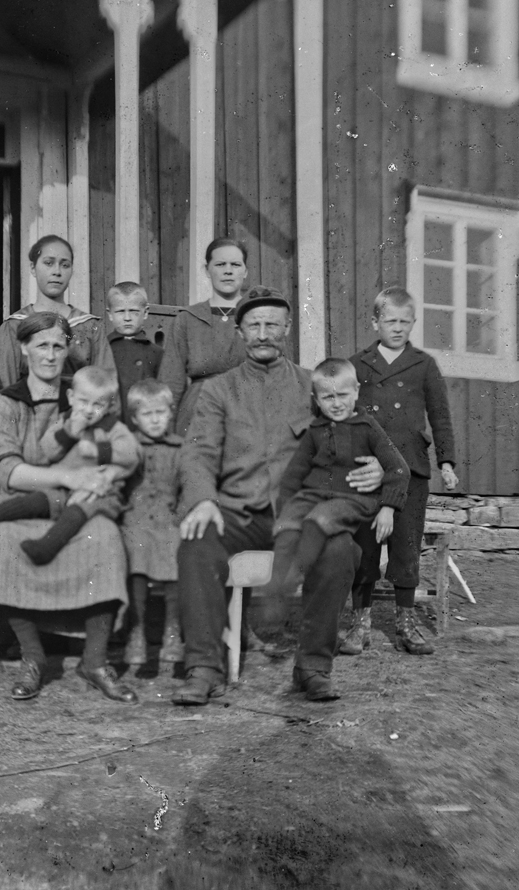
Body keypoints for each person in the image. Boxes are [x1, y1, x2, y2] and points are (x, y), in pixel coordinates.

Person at [173, 285, 384, 705]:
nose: (264, 333)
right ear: (239, 331)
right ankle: (203, 667)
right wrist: (203, 500)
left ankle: (312, 668)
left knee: (338, 549)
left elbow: (356, 432)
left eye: (273, 324)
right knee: (196, 545)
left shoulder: (313, 385)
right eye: (254, 325)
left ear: (287, 328)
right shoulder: (217, 390)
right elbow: (198, 452)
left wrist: (376, 464)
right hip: (238, 514)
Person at [0, 312, 137, 703]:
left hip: (79, 505)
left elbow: (120, 445)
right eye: (41, 346)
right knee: (4, 539)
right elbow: (9, 471)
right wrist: (70, 478)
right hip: (21, 502)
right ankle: (33, 658)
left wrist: (105, 475)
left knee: (105, 537)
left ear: (68, 349)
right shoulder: (4, 403)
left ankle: (96, 660)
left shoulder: (86, 395)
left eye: (58, 345)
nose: (50, 355)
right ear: (24, 349)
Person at [343, 286, 459, 656]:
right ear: (375, 321)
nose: (397, 328)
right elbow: (342, 415)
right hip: (367, 470)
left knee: (406, 546)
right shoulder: (357, 365)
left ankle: (405, 622)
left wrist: (447, 461)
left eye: (404, 322)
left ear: (413, 323)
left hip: (411, 468)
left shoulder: (423, 364)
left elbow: (440, 415)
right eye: (390, 321)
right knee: (364, 546)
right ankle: (359, 622)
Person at [0, 365, 140, 565]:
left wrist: (99, 450)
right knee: (39, 500)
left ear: (108, 406)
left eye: (97, 405)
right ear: (71, 397)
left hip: (100, 494)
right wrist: (69, 432)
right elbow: (48, 449)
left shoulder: (113, 427)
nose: (88, 411)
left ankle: (46, 547)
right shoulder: (66, 420)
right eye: (83, 402)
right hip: (65, 487)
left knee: (75, 514)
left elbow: (132, 454)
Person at [271, 357, 409, 594]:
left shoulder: (368, 427)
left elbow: (398, 468)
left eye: (342, 395)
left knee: (321, 518)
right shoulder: (315, 430)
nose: (336, 404)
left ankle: (297, 574)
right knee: (287, 522)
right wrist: (286, 509)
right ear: (316, 399)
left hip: (353, 499)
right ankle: (276, 586)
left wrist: (388, 508)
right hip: (316, 496)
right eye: (328, 397)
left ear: (356, 392)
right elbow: (294, 474)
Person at [0, 235, 115, 388]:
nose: (57, 271)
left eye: (65, 265)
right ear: (33, 268)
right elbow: (4, 389)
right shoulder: (14, 326)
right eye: (48, 263)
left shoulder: (90, 327)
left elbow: (105, 387)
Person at [120, 380, 184, 669]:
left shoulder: (180, 448)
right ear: (134, 418)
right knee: (136, 549)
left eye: (161, 412)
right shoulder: (128, 447)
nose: (156, 419)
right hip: (135, 519)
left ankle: (172, 629)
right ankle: (137, 631)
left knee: (177, 546)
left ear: (171, 413)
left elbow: (188, 486)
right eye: (148, 414)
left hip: (169, 519)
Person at [159, 238, 248, 437]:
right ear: (207, 270)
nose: (228, 271)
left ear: (245, 271)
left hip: (247, 411)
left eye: (235, 264)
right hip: (197, 414)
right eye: (220, 264)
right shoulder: (187, 319)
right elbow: (171, 382)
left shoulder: (258, 318)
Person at [106, 281, 164, 425]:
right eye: (120, 311)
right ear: (110, 314)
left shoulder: (156, 353)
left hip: (145, 425)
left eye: (134, 311)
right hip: (112, 425)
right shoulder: (103, 349)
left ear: (145, 313)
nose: (127, 318)